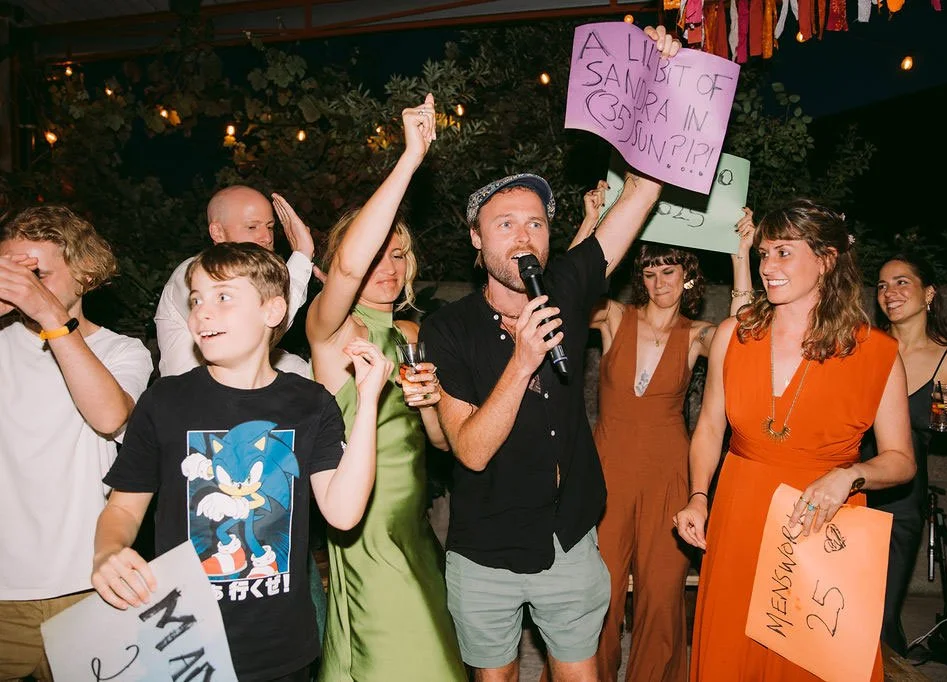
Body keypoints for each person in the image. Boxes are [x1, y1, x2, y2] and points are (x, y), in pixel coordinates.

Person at [419, 24, 681, 682]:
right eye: (505, 224)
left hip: (568, 538)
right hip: (484, 553)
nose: (524, 234)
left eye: (535, 221)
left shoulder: (564, 284)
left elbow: (643, 193)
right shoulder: (448, 329)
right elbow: (470, 450)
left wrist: (658, 87)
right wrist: (523, 358)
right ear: (476, 242)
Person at [91, 242, 391, 682]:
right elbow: (122, 507)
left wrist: (367, 404)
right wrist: (107, 551)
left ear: (273, 311)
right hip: (182, 643)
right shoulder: (166, 401)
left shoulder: (310, 402)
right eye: (196, 299)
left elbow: (344, 514)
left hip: (280, 646)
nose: (202, 313)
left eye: (223, 297)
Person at [672, 199, 916, 681]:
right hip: (739, 518)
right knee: (731, 660)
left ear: (826, 259)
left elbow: (901, 460)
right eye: (763, 254)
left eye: (784, 252)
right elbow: (708, 429)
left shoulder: (877, 352)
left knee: (811, 667)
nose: (768, 267)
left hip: (821, 525)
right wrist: (699, 496)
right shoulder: (732, 335)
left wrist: (850, 475)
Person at [305, 94, 465, 681]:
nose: (389, 269)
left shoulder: (411, 330)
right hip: (363, 524)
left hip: (413, 523)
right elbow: (346, 269)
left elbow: (440, 445)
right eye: (378, 256)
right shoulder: (331, 329)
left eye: (399, 255)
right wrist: (409, 159)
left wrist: (430, 406)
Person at [583, 202, 755, 682]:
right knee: (601, 591)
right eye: (652, 272)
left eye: (670, 270)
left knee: (661, 594)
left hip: (669, 472)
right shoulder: (615, 317)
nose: (660, 282)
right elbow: (568, 293)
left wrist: (741, 252)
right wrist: (594, 224)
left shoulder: (699, 334)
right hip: (608, 469)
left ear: (689, 277)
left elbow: (743, 334)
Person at [0, 206, 153, 682]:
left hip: (87, 589)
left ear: (84, 275)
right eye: (8, 270)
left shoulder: (123, 351)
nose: (19, 285)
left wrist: (49, 314)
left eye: (36, 272)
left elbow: (109, 417)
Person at [864, 253, 947, 656]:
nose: (889, 293)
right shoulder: (865, 346)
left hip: (901, 500)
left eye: (901, 282)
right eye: (881, 285)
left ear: (928, 293)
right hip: (850, 489)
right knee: (840, 612)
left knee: (880, 618)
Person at [155, 186, 317, 377]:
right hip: (196, 404)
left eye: (270, 227)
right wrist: (302, 255)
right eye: (252, 227)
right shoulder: (192, 274)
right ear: (217, 232)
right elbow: (259, 328)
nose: (266, 237)